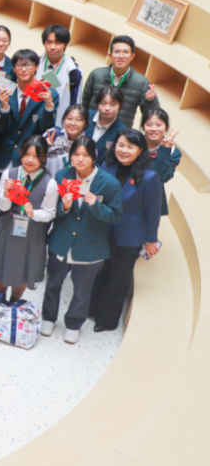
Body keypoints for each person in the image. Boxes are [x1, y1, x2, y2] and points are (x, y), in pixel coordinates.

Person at [43, 136, 123, 344]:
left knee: (82, 290)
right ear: (70, 156)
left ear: (94, 157)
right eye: (76, 154)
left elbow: (116, 216)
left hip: (90, 247)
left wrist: (96, 205)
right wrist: (64, 207)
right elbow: (52, 210)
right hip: (61, 241)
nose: (80, 159)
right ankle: (48, 318)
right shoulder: (62, 176)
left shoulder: (109, 183)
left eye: (85, 155)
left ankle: (73, 324)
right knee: (53, 282)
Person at [0, 49, 57, 255]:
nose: (24, 69)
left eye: (28, 65)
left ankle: (8, 237)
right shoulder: (4, 87)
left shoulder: (47, 93)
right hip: (1, 154)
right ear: (13, 68)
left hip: (26, 159)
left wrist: (49, 105)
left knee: (20, 201)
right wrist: (4, 108)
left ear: (36, 67)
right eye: (19, 65)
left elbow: (45, 130)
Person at [90, 129, 163, 332]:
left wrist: (151, 239)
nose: (123, 150)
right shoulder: (107, 166)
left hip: (130, 236)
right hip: (105, 229)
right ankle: (91, 308)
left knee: (118, 278)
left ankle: (107, 320)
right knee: (100, 271)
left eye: (130, 147)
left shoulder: (150, 177)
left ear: (140, 150)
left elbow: (153, 212)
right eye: (120, 145)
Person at [0, 136, 58, 302]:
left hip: (32, 231)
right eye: (27, 154)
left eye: (36, 156)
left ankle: (15, 303)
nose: (30, 160)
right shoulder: (9, 174)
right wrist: (6, 195)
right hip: (6, 225)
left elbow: (50, 213)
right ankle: (0, 301)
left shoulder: (50, 183)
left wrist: (34, 214)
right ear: (21, 154)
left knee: (24, 269)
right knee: (1, 265)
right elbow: (2, 207)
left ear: (44, 158)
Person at [81, 36, 158, 128]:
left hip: (120, 132)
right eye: (117, 52)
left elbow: (152, 115)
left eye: (126, 52)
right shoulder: (96, 75)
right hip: (93, 127)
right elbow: (84, 104)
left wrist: (150, 101)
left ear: (132, 56)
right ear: (110, 55)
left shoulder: (141, 82)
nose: (121, 56)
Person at [142, 108, 181, 216]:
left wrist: (164, 150)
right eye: (149, 124)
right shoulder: (133, 143)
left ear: (166, 127)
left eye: (158, 125)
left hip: (151, 198)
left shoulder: (173, 151)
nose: (153, 128)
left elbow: (162, 178)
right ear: (143, 126)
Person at [38, 24, 82, 114]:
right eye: (49, 42)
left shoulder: (74, 71)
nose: (52, 47)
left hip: (58, 115)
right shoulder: (36, 63)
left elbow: (74, 101)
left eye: (58, 43)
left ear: (66, 45)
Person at [45, 104, 89, 176]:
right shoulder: (54, 135)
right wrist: (46, 148)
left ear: (85, 123)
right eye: (69, 118)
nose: (73, 123)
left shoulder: (88, 145)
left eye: (78, 120)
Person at [88, 86, 127, 162]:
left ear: (119, 105)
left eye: (113, 104)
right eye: (103, 103)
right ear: (97, 104)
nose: (107, 108)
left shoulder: (122, 131)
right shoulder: (85, 117)